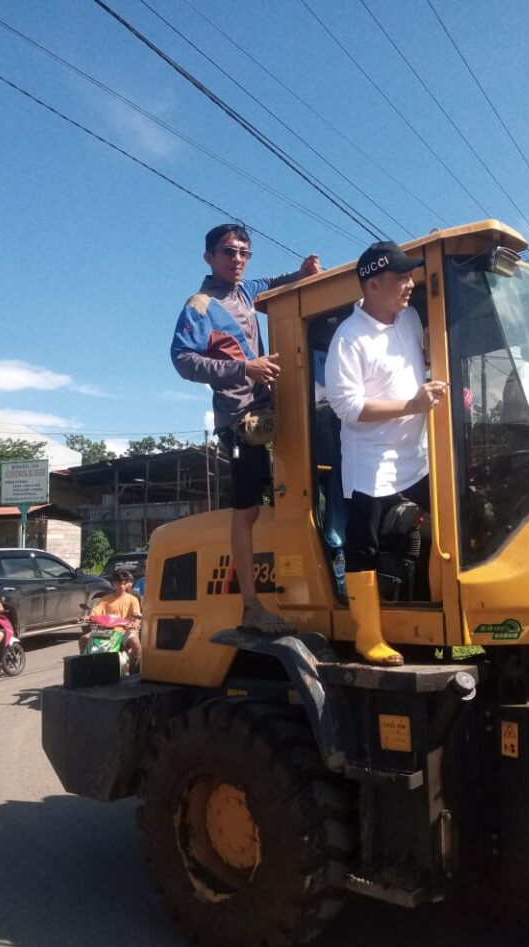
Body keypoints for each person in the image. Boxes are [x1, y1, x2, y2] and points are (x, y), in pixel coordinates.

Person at [171, 221, 321, 634]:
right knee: (247, 509)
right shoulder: (200, 305)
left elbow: (273, 282)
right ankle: (251, 606)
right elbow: (182, 359)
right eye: (228, 252)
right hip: (239, 420)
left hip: (268, 410)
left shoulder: (244, 291)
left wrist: (302, 272)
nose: (237, 259)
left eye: (243, 252)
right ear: (209, 257)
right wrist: (244, 367)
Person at [325, 241, 447, 666]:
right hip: (371, 464)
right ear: (374, 285)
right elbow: (348, 407)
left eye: (411, 275)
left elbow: (421, 360)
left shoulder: (410, 318)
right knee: (365, 548)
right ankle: (368, 635)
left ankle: (444, 606)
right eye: (401, 277)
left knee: (455, 518)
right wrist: (412, 405)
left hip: (418, 453)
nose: (410, 284)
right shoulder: (349, 339)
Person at [80, 570, 142, 662]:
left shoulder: (133, 600)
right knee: (83, 639)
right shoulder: (104, 600)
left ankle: (132, 670)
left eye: (123, 583)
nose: (121, 586)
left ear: (127, 584)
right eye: (118, 583)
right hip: (105, 632)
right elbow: (95, 612)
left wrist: (135, 624)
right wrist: (88, 617)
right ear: (113, 583)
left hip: (125, 631)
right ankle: (85, 664)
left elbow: (136, 615)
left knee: (136, 644)